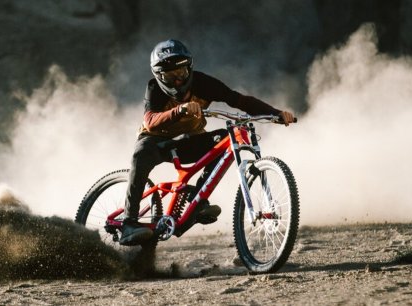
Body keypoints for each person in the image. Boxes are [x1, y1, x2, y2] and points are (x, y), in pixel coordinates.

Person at [119, 39, 296, 246]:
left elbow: (239, 100)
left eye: (182, 73)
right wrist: (180, 110)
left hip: (187, 142)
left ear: (190, 69)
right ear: (159, 76)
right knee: (139, 157)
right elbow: (150, 121)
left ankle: (198, 200)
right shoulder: (154, 89)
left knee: (225, 139)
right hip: (156, 142)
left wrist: (275, 114)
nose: (177, 81)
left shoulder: (203, 83)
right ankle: (128, 223)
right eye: (170, 76)